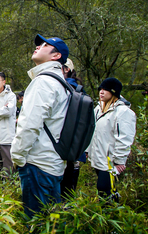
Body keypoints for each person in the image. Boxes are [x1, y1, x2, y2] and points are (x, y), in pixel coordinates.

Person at [10, 34, 70, 218]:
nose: (38, 47)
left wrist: (18, 157)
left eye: (45, 45)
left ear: (56, 56)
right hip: (53, 163)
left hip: (38, 165)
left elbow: (29, 125)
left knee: (35, 221)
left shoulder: (43, 82)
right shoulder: (61, 83)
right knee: (50, 222)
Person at [87, 78, 136, 201]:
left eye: (106, 89)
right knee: (107, 190)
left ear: (114, 92)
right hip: (99, 157)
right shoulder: (98, 109)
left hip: (110, 161)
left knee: (103, 188)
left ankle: (109, 214)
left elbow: (125, 138)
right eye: (101, 89)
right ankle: (111, 212)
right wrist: (88, 151)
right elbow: (92, 131)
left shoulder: (123, 112)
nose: (101, 92)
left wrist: (119, 160)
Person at [60, 58, 86, 199]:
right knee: (68, 185)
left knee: (64, 185)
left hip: (65, 144)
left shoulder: (68, 89)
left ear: (66, 69)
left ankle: (60, 215)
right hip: (73, 145)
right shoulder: (77, 88)